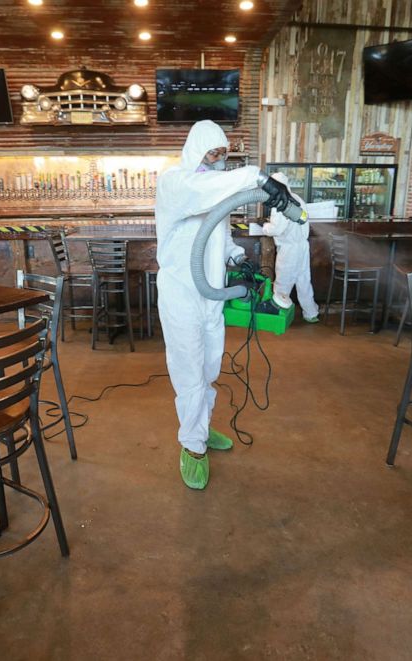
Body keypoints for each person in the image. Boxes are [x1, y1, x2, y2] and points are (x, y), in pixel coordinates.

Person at [155, 120, 292, 490]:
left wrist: (236, 260)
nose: (217, 161)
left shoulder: (214, 191)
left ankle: (201, 426)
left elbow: (217, 234)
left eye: (222, 155)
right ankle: (192, 446)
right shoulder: (176, 182)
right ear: (195, 150)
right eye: (212, 153)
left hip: (211, 295)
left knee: (210, 367)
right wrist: (259, 179)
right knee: (188, 372)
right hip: (182, 293)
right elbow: (202, 190)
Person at [261, 172, 319, 322]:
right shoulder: (297, 198)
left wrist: (266, 226)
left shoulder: (280, 201)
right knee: (303, 280)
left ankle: (279, 315)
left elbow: (277, 229)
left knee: (283, 281)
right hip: (302, 247)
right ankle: (311, 313)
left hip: (289, 249)